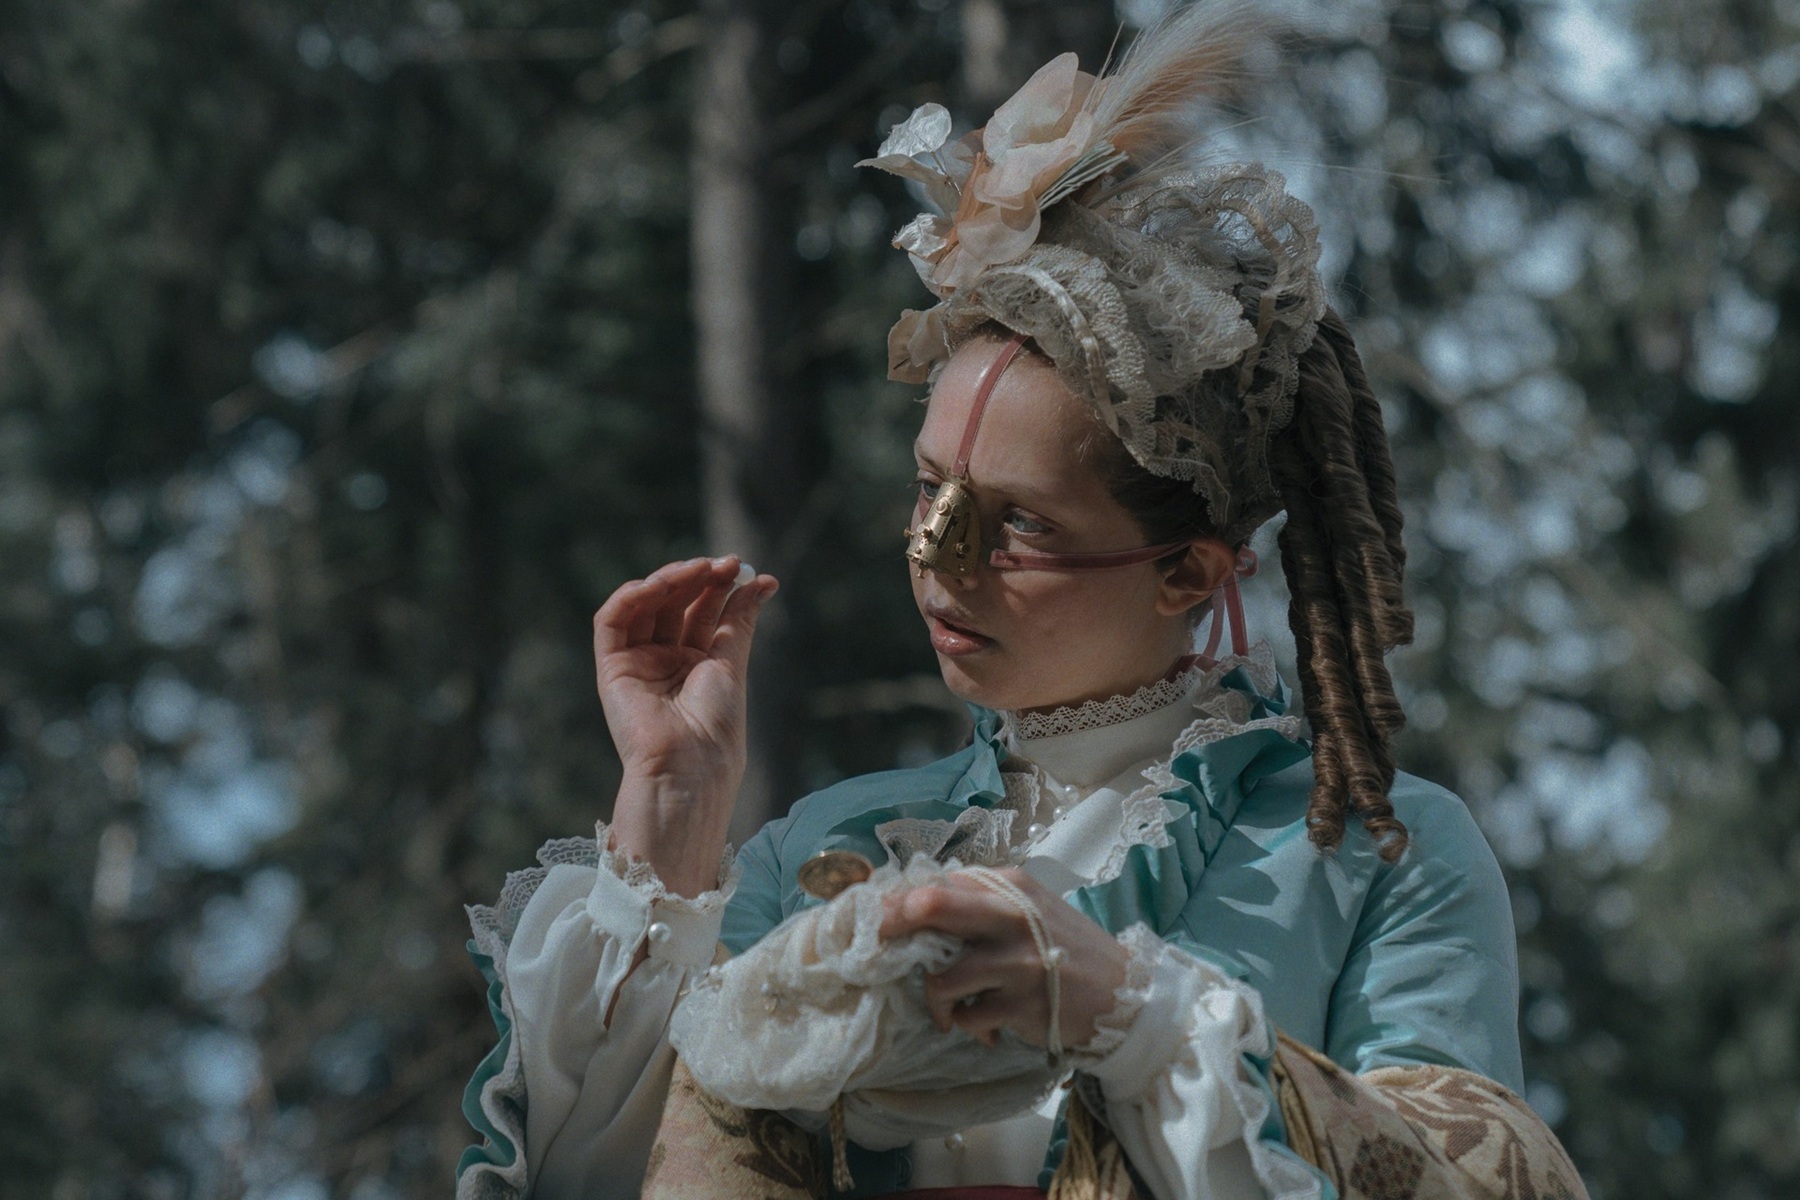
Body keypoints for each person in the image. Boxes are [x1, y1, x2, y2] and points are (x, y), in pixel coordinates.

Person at [456, 8, 1587, 1199]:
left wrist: (1132, 1017)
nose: (938, 559)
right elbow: (594, 1183)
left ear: (1192, 573)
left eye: (1023, 523)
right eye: (929, 490)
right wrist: (674, 813)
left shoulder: (1375, 854)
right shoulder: (823, 848)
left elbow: (1477, 1183)